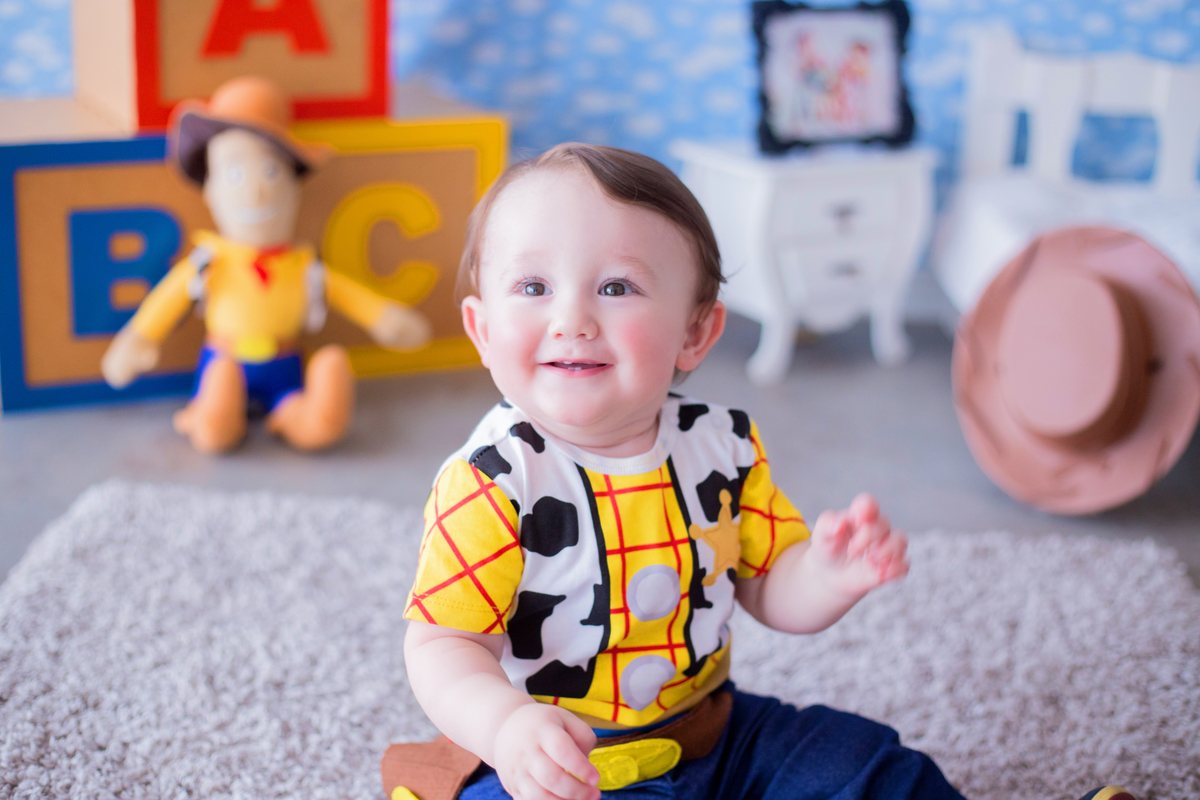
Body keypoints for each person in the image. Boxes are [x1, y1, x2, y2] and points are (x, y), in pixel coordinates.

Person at [393, 143, 1128, 800]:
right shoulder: (496, 481)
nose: (573, 319)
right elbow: (443, 646)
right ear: (483, 331)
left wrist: (830, 575)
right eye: (533, 289)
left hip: (719, 736)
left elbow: (772, 589)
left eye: (616, 288)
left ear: (696, 331)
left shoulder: (721, 446)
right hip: (563, 768)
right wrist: (506, 728)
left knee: (861, 762)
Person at [101, 76, 431, 453]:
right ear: (211, 188)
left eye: (272, 172)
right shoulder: (208, 262)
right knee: (218, 403)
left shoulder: (303, 265)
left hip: (285, 368)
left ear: (293, 185)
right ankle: (217, 414)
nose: (256, 190)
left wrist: (384, 318)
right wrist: (138, 339)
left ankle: (307, 416)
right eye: (236, 173)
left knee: (315, 398)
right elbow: (165, 303)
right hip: (224, 358)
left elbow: (347, 295)